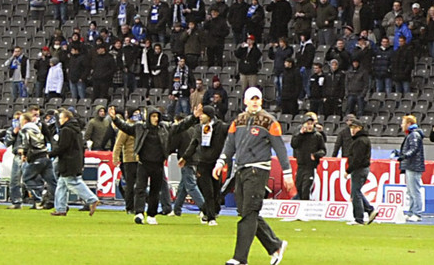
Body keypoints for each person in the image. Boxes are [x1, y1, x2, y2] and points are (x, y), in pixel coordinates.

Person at [212, 87, 292, 265]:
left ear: (261, 101)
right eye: (252, 99)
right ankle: (275, 245)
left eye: (258, 99)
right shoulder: (238, 121)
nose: (255, 102)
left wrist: (287, 173)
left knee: (248, 213)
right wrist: (221, 162)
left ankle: (240, 259)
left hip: (258, 170)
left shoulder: (270, 122)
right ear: (245, 101)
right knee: (247, 211)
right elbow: (229, 144)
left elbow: (280, 149)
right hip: (241, 169)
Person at [109, 105, 196, 225]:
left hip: (158, 164)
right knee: (140, 189)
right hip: (143, 163)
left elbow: (180, 126)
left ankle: (151, 214)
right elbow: (125, 127)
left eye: (157, 116)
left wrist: (193, 117)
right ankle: (139, 213)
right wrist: (115, 119)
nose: (155, 119)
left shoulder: (164, 127)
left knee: (155, 191)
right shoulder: (140, 127)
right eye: (153, 116)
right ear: (148, 117)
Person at [49, 108, 99, 216]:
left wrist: (50, 154)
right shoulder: (76, 130)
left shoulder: (66, 130)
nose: (60, 120)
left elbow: (63, 147)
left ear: (66, 118)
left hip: (68, 161)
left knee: (73, 182)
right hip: (75, 160)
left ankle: (92, 199)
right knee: (61, 185)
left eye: (61, 118)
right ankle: (61, 208)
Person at [343, 117, 378, 225]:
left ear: (360, 128)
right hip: (361, 169)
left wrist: (348, 170)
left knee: (355, 193)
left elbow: (357, 158)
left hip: (359, 169)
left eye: (355, 128)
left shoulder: (360, 141)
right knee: (356, 192)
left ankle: (359, 218)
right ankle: (369, 210)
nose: (352, 130)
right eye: (351, 128)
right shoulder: (362, 140)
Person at [395, 113, 425, 222]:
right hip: (410, 165)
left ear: (409, 124)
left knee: (414, 190)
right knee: (410, 191)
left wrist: (404, 156)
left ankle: (417, 213)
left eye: (403, 123)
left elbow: (414, 149)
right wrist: (400, 154)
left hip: (414, 166)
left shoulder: (414, 135)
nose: (401, 125)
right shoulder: (411, 135)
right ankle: (412, 211)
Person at [291, 113, 326, 201]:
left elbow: (323, 150)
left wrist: (316, 155)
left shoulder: (317, 136)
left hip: (310, 166)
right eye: (308, 123)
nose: (310, 126)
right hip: (300, 165)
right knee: (298, 186)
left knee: (306, 188)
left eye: (311, 123)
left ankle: (305, 209)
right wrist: (300, 134)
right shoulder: (298, 134)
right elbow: (293, 144)